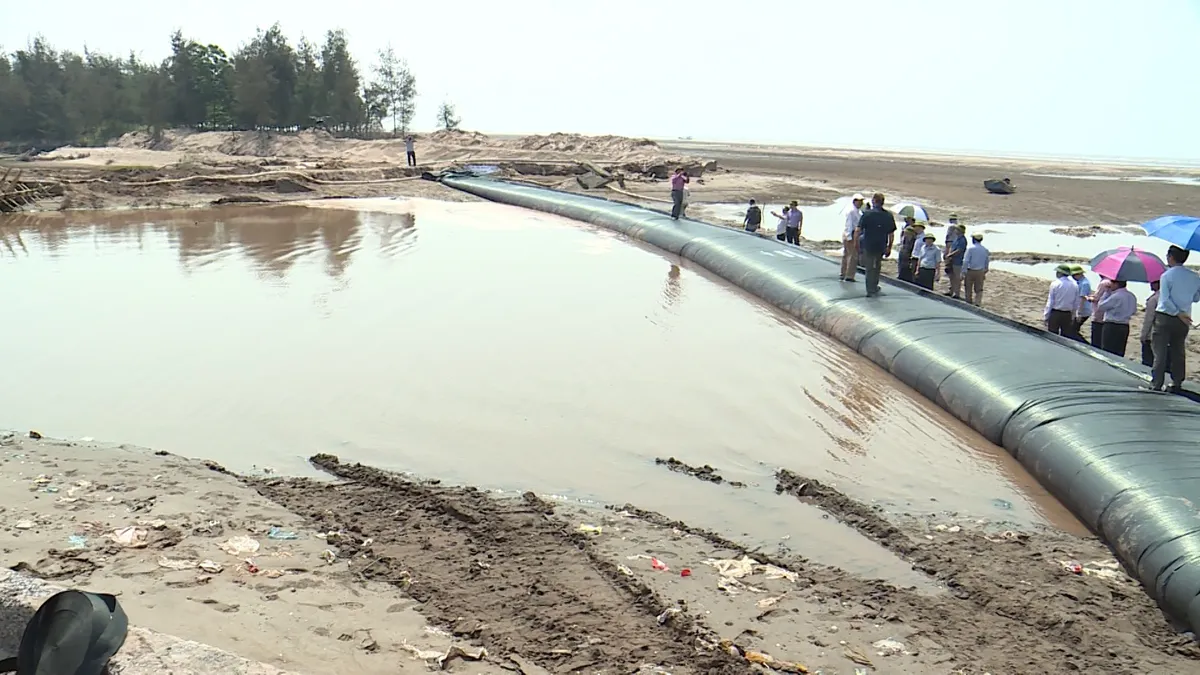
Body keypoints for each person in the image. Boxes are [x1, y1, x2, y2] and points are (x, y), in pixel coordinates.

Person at [1151, 245, 1200, 392]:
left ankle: (1156, 384)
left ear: (1171, 257)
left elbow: (1165, 300)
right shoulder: (1194, 276)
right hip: (1184, 318)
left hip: (1166, 316)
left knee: (1160, 351)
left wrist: (1177, 312)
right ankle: (1177, 382)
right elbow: (1196, 298)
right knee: (1178, 351)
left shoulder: (1167, 275)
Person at [858, 192, 897, 297]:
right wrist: (889, 247)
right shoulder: (888, 215)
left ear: (874, 201)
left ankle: (870, 289)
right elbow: (891, 233)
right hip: (881, 244)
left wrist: (856, 243)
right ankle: (874, 286)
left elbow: (858, 229)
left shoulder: (867, 214)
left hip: (869, 244)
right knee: (877, 266)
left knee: (870, 267)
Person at [1096, 280, 1136, 357]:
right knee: (1120, 351)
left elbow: (1101, 306)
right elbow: (1133, 311)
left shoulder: (1116, 296)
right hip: (1125, 325)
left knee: (1107, 351)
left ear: (1116, 284)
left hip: (1112, 325)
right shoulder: (1131, 296)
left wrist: (1106, 293)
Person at [1044, 264, 1080, 337]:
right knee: (1065, 337)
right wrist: (1073, 316)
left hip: (1055, 313)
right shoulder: (1075, 285)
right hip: (1067, 314)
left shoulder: (1055, 284)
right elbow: (1076, 303)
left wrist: (1046, 315)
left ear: (1060, 273)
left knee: (1052, 336)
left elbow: (1050, 301)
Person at [841, 194, 864, 282]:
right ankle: (849, 275)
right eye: (859, 201)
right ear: (854, 201)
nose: (861, 203)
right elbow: (849, 224)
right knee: (853, 255)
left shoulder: (858, 211)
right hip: (851, 233)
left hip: (852, 233)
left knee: (846, 255)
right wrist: (849, 237)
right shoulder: (851, 211)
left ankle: (844, 273)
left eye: (861, 201)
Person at [962, 233, 989, 306]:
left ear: (973, 239)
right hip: (980, 271)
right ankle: (977, 302)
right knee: (979, 288)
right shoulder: (985, 249)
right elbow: (986, 261)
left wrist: (963, 271)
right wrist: (985, 270)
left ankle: (968, 301)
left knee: (968, 287)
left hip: (970, 270)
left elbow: (966, 261)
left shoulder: (970, 249)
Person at [1141, 280, 1163, 368]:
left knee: (1148, 361)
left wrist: (1144, 335)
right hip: (1164, 334)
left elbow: (1149, 319)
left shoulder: (1154, 299)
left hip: (1152, 334)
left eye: (1153, 283)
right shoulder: (1167, 297)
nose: (1150, 284)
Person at [944, 226, 967, 299]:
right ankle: (951, 290)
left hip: (958, 261)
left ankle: (956, 293)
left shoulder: (963, 240)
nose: (955, 230)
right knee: (951, 276)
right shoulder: (956, 238)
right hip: (952, 260)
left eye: (956, 229)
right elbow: (952, 247)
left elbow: (959, 250)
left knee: (957, 278)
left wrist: (950, 255)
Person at [1071, 266, 1093, 342]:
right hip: (1081, 309)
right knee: (1073, 329)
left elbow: (1082, 299)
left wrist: (1079, 313)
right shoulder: (1080, 282)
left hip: (1083, 310)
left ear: (1079, 274)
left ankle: (1085, 345)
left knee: (1072, 330)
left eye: (1074, 275)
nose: (1073, 277)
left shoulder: (1084, 283)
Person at [896, 218, 917, 283]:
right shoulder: (905, 234)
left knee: (906, 266)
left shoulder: (913, 239)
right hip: (903, 251)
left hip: (908, 253)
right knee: (901, 265)